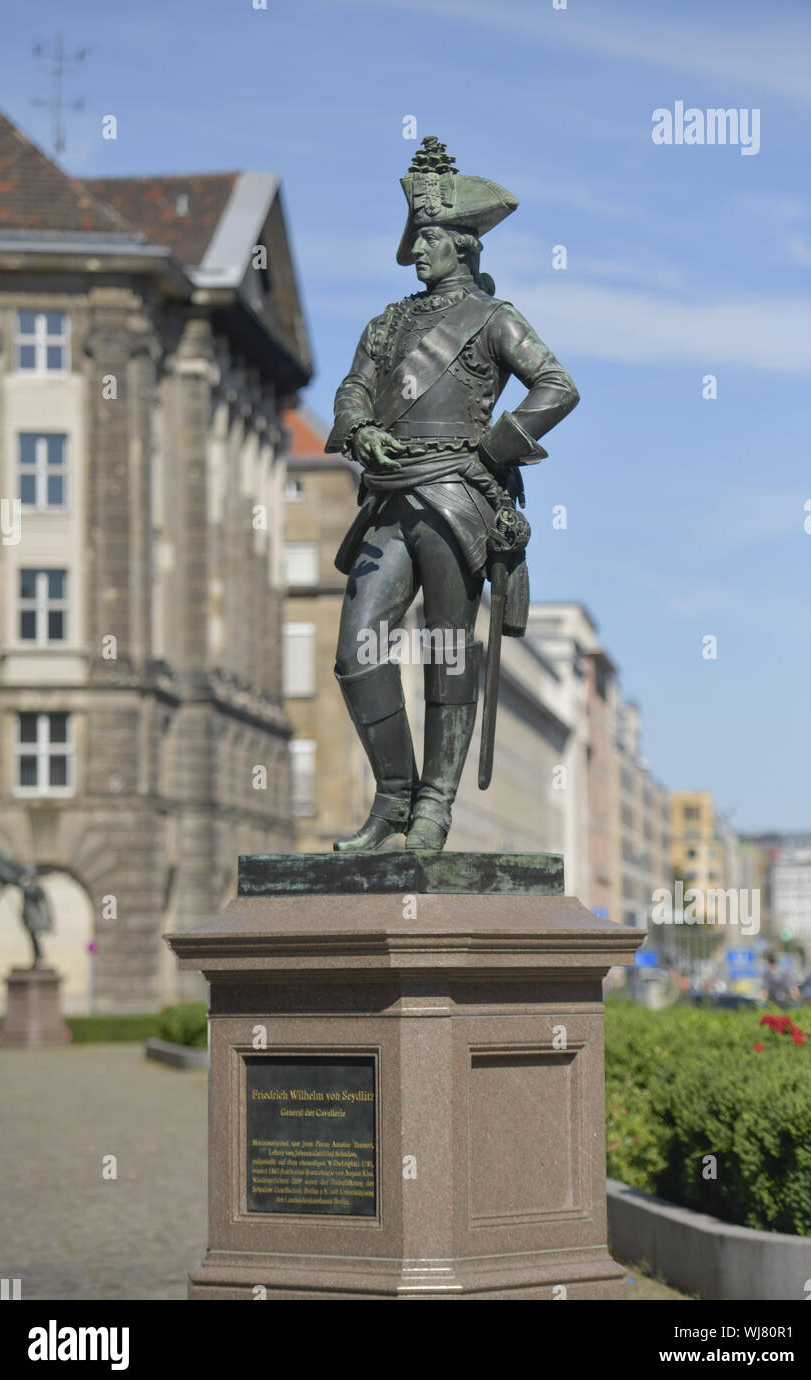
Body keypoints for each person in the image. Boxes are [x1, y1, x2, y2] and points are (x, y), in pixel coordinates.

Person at [326, 137, 580, 851]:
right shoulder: (387, 322)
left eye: (431, 239)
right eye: (418, 240)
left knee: (446, 649)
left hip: (456, 500)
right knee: (357, 652)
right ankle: (394, 796)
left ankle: (436, 804)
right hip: (388, 497)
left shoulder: (495, 319)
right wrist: (357, 430)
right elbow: (353, 390)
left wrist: (493, 452)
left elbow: (557, 386)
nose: (418, 252)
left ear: (463, 248)